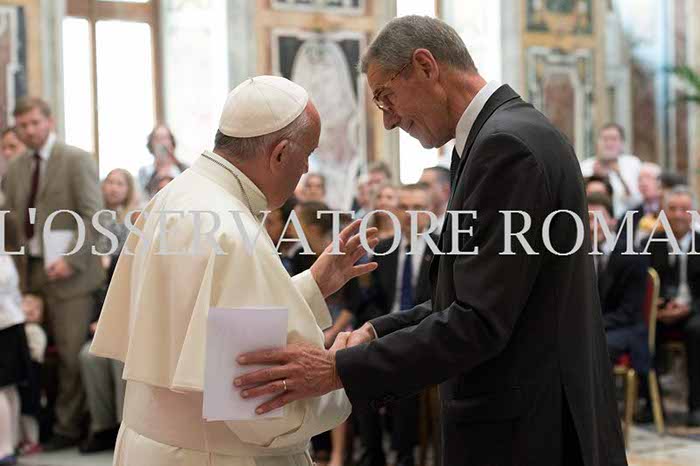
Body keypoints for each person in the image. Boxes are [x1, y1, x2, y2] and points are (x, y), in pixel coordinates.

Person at [236, 16, 627, 466]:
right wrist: (376, 331)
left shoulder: (506, 147)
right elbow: (468, 296)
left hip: (529, 432)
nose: (387, 120)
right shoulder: (499, 135)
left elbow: (478, 320)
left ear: (425, 66)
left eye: (386, 96)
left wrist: (337, 370)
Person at [90, 75, 378, 466]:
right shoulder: (235, 232)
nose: (306, 168)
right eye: (307, 154)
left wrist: (312, 285)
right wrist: (345, 371)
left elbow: (203, 320)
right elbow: (262, 412)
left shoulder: (173, 196)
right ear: (279, 154)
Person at [2, 97, 105, 451]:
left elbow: (94, 216)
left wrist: (71, 260)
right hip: (30, 271)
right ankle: (39, 425)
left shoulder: (76, 159)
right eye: (23, 125)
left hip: (72, 274)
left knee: (71, 354)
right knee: (33, 352)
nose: (29, 130)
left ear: (49, 121)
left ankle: (68, 426)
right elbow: (11, 220)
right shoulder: (17, 165)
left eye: (35, 122)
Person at [355, 183, 437, 466]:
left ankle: (404, 456)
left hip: (424, 334)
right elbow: (371, 299)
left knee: (404, 367)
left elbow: (441, 303)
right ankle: (372, 454)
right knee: (354, 369)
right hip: (384, 332)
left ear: (430, 211)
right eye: (404, 207)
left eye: (418, 208)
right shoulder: (384, 250)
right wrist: (379, 326)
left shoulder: (444, 249)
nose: (411, 214)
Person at [77, 168, 137, 454]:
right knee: (87, 356)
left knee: (117, 358)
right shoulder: (94, 223)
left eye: (119, 183)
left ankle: (125, 428)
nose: (113, 188)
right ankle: (102, 427)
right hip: (104, 309)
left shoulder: (133, 230)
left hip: (130, 324)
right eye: (109, 182)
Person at [646, 186, 700, 427]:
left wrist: (688, 309)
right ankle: (652, 404)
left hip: (694, 311)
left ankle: (696, 406)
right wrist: (658, 308)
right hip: (661, 313)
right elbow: (645, 285)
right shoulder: (651, 244)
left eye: (684, 209)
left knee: (697, 331)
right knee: (643, 333)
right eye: (672, 208)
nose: (678, 214)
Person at [587, 193, 649, 375]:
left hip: (624, 329)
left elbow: (628, 312)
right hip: (591, 327)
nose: (592, 227)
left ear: (613, 222)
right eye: (587, 219)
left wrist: (592, 324)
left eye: (599, 220)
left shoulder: (633, 255)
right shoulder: (576, 256)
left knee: (591, 348)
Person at [0, 254, 32, 466]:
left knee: (4, 389)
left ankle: (5, 448)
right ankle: (10, 444)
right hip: (13, 325)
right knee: (9, 389)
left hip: (5, 328)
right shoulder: (6, 258)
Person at [580, 123, 642, 218]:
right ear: (597, 143)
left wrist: (619, 176)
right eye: (605, 139)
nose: (609, 144)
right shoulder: (585, 166)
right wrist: (595, 178)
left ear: (622, 143)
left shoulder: (632, 164)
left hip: (627, 220)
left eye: (614, 139)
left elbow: (637, 201)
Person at [137, 124, 187, 201]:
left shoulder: (183, 169)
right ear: (151, 143)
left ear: (171, 142)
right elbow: (144, 197)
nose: (162, 142)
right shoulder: (144, 171)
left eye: (165, 138)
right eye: (158, 139)